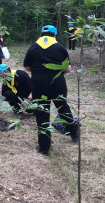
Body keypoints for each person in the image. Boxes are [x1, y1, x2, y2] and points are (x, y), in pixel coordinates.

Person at [24, 25, 78, 156]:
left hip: (38, 83)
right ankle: (75, 135)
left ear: (41, 34)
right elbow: (68, 69)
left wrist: (39, 72)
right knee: (63, 108)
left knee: (42, 112)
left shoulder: (33, 47)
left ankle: (44, 148)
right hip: (57, 82)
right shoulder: (60, 48)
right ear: (55, 35)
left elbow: (27, 66)